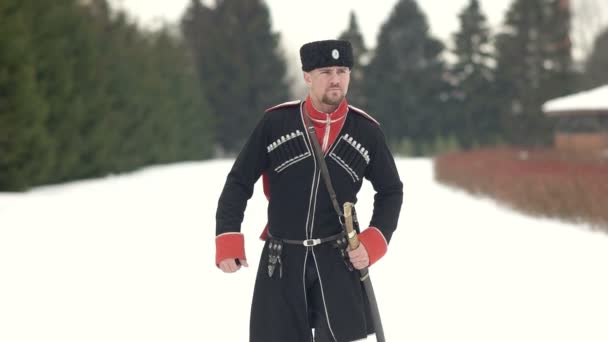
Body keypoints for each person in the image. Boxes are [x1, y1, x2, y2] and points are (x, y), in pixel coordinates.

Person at [215, 39, 403, 342]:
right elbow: (238, 181)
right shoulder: (275, 122)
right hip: (282, 259)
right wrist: (228, 239)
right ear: (307, 77)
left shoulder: (366, 131)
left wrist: (373, 242)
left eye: (342, 70)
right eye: (326, 71)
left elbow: (391, 191)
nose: (335, 79)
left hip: (338, 260)